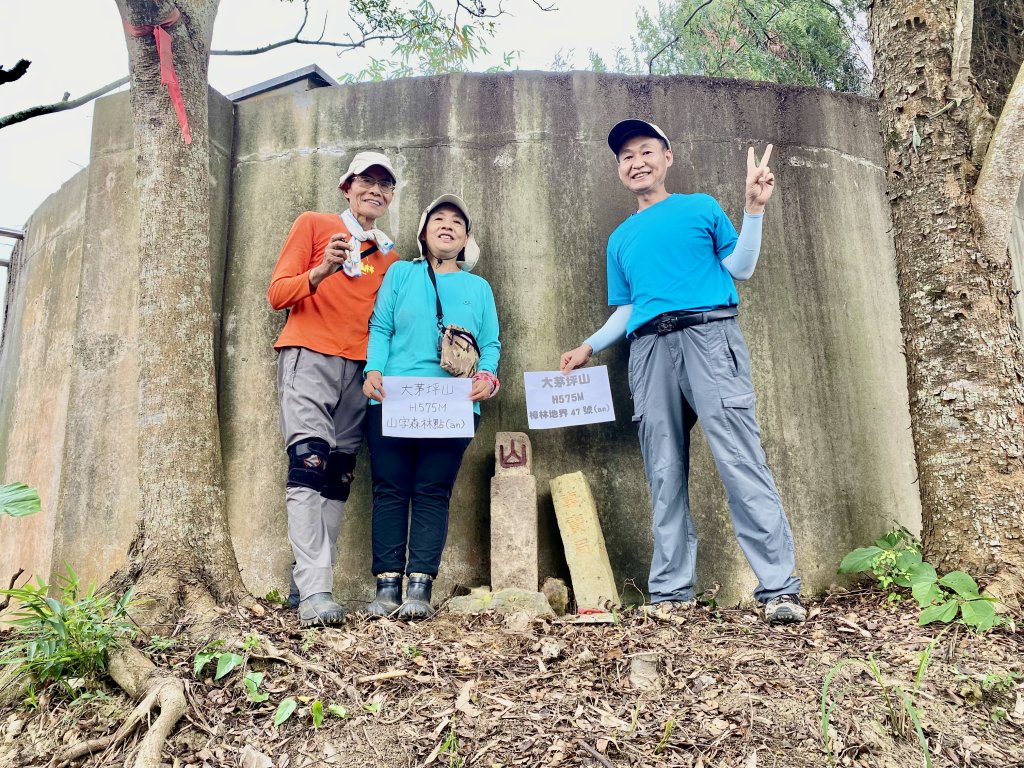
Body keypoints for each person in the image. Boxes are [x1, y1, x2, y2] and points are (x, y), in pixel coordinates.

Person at [559, 119, 805, 624]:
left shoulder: (700, 208)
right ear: (618, 169)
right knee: (663, 470)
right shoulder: (620, 239)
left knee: (739, 457)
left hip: (709, 337)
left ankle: (779, 588)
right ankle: (671, 594)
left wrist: (753, 210)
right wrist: (589, 345)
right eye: (626, 156)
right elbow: (628, 309)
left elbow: (740, 268)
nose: (636, 162)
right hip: (647, 350)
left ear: (667, 157)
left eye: (646, 151)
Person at [268, 151, 401, 628]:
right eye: (367, 180)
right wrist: (321, 270)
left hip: (359, 370)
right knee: (309, 463)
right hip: (308, 353)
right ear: (347, 186)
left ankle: (304, 579)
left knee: (337, 475)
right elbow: (277, 293)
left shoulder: (388, 253)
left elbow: (387, 321)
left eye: (385, 184)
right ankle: (316, 591)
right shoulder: (315, 224)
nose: (376, 190)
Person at [362, 194, 500, 619]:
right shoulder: (401, 273)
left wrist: (487, 378)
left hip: (452, 405)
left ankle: (420, 587)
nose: (447, 226)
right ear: (424, 232)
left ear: (465, 239)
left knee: (432, 492)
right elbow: (381, 325)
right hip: (393, 399)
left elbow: (490, 344)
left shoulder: (478, 288)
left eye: (457, 222)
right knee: (389, 490)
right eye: (438, 219)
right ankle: (386, 587)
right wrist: (373, 369)